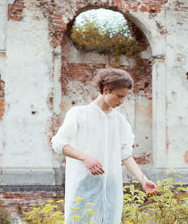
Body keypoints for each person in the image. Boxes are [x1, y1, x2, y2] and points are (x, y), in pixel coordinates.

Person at [51, 67, 157, 224]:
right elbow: (58, 143)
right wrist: (85, 158)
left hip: (111, 190)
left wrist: (143, 179)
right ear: (106, 90)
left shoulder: (120, 121)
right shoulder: (79, 114)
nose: (121, 101)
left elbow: (125, 155)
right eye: (119, 96)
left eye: (125, 97)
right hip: (83, 186)